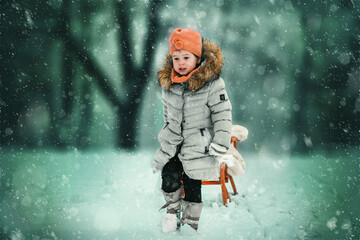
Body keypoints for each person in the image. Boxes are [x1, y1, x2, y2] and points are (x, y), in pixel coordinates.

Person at [152, 28, 232, 233]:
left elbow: (222, 113)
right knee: (169, 174)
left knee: (192, 182)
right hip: (175, 144)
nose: (180, 62)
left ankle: (189, 222)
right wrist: (166, 141)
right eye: (176, 57)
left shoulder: (213, 84)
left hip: (199, 145)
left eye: (186, 57)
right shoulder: (169, 85)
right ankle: (171, 212)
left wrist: (221, 141)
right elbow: (168, 118)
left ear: (197, 59)